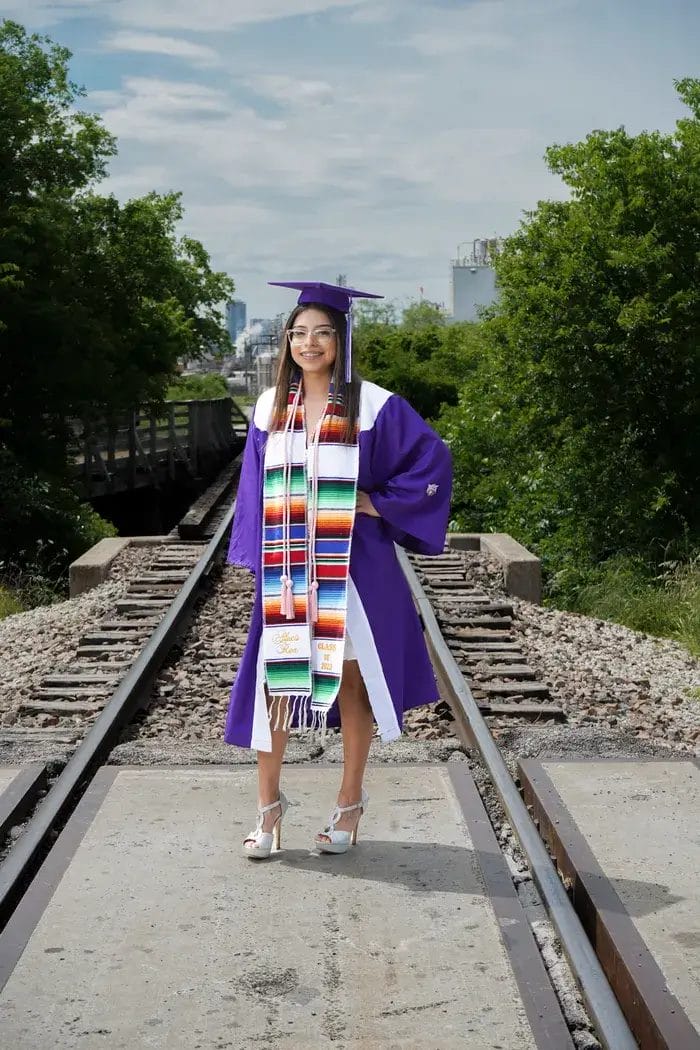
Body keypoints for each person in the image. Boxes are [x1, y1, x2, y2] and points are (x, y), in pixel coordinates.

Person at [224, 281, 452, 859]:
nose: (309, 343)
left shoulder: (373, 406)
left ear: (341, 339)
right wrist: (253, 560)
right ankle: (268, 811)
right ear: (287, 343)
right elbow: (252, 493)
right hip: (287, 568)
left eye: (322, 332)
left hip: (353, 568)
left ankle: (349, 803)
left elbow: (431, 461)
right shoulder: (268, 408)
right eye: (299, 334)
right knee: (277, 684)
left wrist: (372, 502)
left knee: (351, 682)